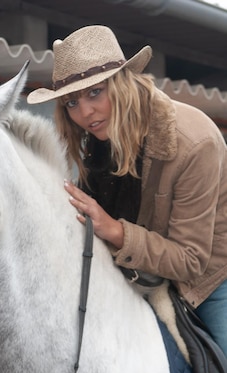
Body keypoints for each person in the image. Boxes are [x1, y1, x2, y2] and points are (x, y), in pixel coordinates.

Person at [27, 25, 227, 356]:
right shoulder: (95, 143)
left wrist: (114, 230)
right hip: (137, 273)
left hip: (209, 281)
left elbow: (191, 260)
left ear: (123, 84)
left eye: (95, 92)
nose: (84, 112)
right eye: (71, 102)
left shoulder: (194, 142)